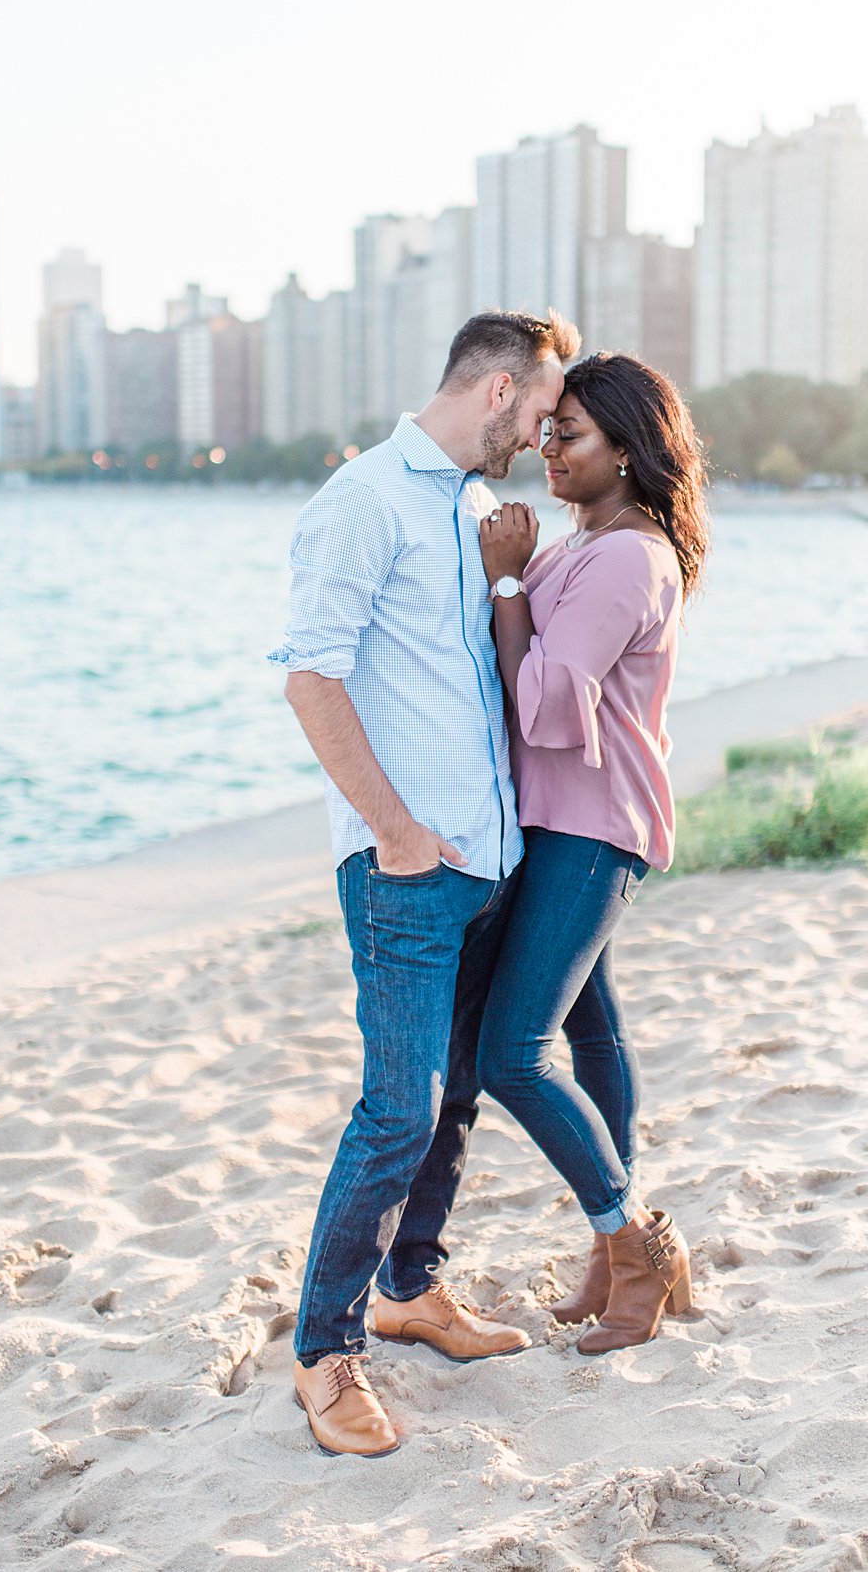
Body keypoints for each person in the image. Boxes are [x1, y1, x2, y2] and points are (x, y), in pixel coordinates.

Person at [268, 308, 578, 1457]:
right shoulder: (362, 499)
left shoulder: (465, 509)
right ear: (499, 390)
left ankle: (411, 1289)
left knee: (451, 1099)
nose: (545, 436)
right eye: (544, 410)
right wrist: (395, 832)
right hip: (409, 869)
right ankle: (324, 1350)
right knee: (397, 1107)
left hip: (487, 860)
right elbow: (312, 678)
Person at [475, 351, 709, 1354]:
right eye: (545, 429)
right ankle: (615, 1256)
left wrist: (505, 580)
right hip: (563, 818)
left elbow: (545, 705)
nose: (547, 445)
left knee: (512, 1053)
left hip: (589, 824)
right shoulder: (590, 541)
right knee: (594, 1039)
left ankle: (634, 1240)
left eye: (568, 432)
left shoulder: (624, 557)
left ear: (628, 446)